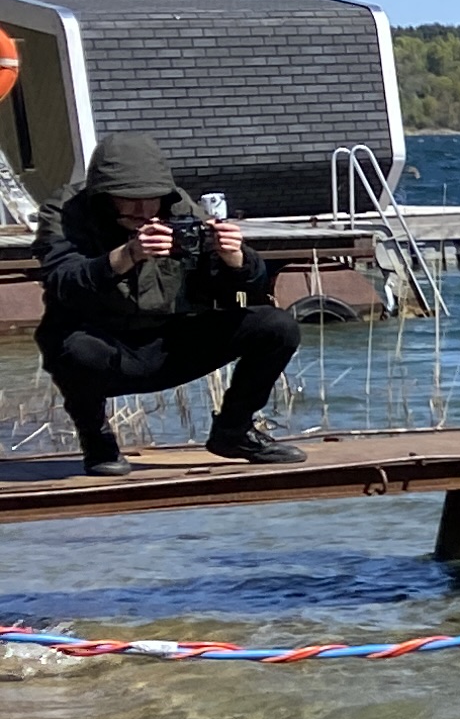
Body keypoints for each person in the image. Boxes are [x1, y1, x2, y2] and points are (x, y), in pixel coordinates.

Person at [31, 131, 306, 474]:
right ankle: (97, 442)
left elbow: (236, 290)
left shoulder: (181, 209)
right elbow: (64, 283)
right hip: (105, 347)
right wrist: (127, 255)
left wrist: (236, 258)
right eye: (130, 199)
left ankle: (233, 431)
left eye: (152, 199)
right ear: (104, 195)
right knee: (76, 350)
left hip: (171, 342)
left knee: (277, 326)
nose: (144, 209)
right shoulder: (65, 212)